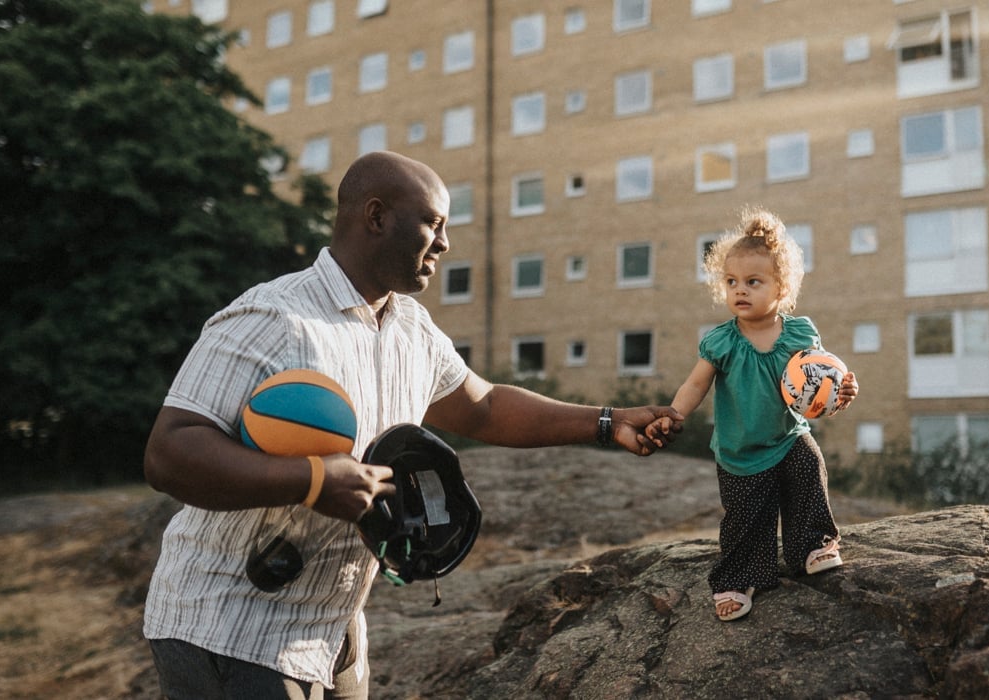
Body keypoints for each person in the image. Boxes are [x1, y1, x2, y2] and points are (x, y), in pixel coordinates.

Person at [142, 150, 682, 698]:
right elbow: (170, 452)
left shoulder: (412, 330)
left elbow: (486, 406)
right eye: (434, 223)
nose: (445, 244)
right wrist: (312, 481)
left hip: (334, 631)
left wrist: (608, 421)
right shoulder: (273, 316)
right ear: (376, 217)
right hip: (231, 624)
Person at [642, 206, 858, 622]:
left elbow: (823, 378)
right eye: (731, 282)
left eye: (753, 282)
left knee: (809, 471)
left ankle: (811, 546)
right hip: (740, 450)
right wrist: (674, 413)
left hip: (788, 436)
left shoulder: (799, 333)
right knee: (747, 519)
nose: (740, 290)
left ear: (783, 287)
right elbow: (695, 384)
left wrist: (844, 390)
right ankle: (739, 579)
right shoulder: (721, 341)